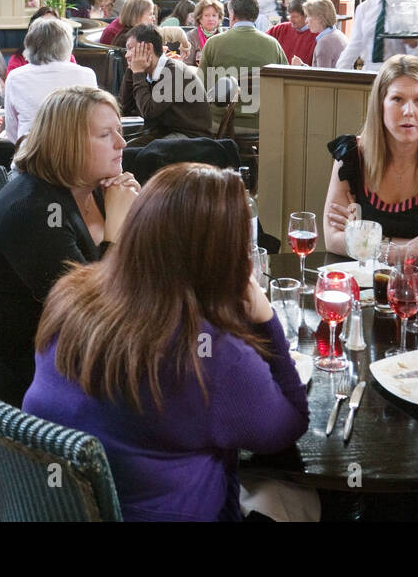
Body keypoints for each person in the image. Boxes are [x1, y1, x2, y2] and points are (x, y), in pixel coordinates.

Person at [24, 163, 308, 521]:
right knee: (302, 496)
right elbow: (289, 425)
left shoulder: (69, 293)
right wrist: (265, 319)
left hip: (55, 507)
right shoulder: (215, 356)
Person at [0, 86, 140, 406]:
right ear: (66, 145)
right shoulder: (32, 210)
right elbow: (90, 317)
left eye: (120, 131)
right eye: (105, 135)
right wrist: (119, 230)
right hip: (26, 382)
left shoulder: (96, 188)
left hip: (74, 355)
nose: (121, 143)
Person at [324, 55, 418, 265]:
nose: (409, 112)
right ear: (380, 104)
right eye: (397, 99)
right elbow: (333, 241)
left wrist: (364, 240)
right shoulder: (351, 155)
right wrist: (404, 251)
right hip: (363, 287)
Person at [198, 0, 288, 131]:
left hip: (221, 124)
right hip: (262, 125)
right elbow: (285, 85)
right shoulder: (273, 44)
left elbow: (201, 87)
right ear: (256, 15)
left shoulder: (213, 43)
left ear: (232, 14)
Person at [3, 17, 97, 143]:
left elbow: (12, 132)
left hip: (30, 157)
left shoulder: (15, 77)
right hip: (77, 157)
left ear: (29, 45)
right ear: (68, 45)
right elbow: (93, 124)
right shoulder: (87, 75)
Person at [118, 25, 212, 146]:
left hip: (192, 137)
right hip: (163, 132)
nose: (126, 55)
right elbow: (124, 107)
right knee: (124, 150)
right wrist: (131, 71)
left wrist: (138, 73)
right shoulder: (148, 70)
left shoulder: (174, 71)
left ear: (148, 48)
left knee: (143, 154)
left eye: (130, 49)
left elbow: (149, 111)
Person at [336, 0, 418, 72]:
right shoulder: (364, 8)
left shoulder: (408, 6)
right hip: (369, 71)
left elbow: (416, 51)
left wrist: (413, 44)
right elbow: (355, 44)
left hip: (398, 72)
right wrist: (339, 71)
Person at [4, 7, 77, 76]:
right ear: (32, 30)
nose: (48, 31)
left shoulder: (69, 57)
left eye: (53, 26)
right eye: (43, 25)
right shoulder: (18, 59)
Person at [267, 0, 317, 65]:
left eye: (295, 17)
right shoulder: (279, 29)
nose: (291, 20)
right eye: (289, 15)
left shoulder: (316, 35)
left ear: (306, 15)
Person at [306, 0, 347, 68]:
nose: (306, 21)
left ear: (320, 18)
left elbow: (322, 77)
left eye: (309, 16)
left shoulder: (325, 42)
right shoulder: (338, 34)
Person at [185, 0, 224, 67]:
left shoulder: (225, 34)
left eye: (214, 15)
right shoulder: (191, 36)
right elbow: (187, 64)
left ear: (219, 18)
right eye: (206, 15)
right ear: (199, 18)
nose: (211, 19)